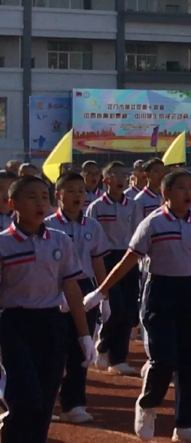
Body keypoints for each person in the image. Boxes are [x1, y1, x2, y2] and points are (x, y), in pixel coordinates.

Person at [86, 170, 191, 443]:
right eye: (181, 188)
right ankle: (148, 404)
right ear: (166, 194)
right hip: (159, 294)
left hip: (189, 294)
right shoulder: (153, 224)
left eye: (190, 188)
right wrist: (102, 291)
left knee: (189, 362)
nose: (188, 193)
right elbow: (127, 260)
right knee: (164, 360)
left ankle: (185, 423)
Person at [1, 175, 98, 443]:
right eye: (31, 197)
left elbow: (72, 288)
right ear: (12, 204)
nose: (40, 203)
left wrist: (84, 334)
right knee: (24, 400)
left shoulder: (59, 240)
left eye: (44, 196)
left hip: (51, 323)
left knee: (43, 403)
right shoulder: (3, 244)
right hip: (13, 324)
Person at [44, 172, 109, 425]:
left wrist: (104, 295)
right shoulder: (48, 225)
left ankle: (74, 403)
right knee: (53, 351)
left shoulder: (93, 226)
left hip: (84, 289)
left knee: (81, 348)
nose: (77, 196)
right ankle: (47, 401)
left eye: (81, 191)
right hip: (54, 289)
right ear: (58, 195)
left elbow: (98, 261)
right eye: (71, 191)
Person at [86, 161, 140, 375]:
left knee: (128, 309)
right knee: (114, 306)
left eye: (123, 175)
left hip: (127, 257)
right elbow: (92, 237)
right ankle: (103, 344)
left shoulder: (133, 205)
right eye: (115, 175)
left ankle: (118, 358)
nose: (120, 179)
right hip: (106, 259)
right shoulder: (96, 207)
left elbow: (137, 233)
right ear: (105, 180)